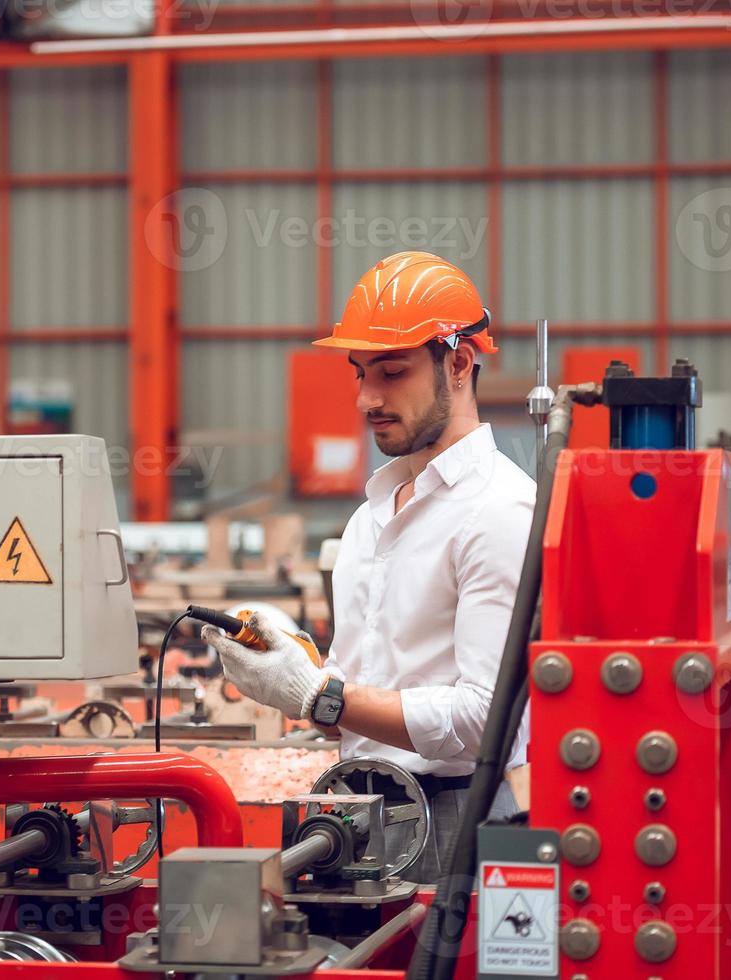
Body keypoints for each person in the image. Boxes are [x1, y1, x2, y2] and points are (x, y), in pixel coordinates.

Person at [202, 250, 535, 883]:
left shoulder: (499, 512)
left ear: (459, 363)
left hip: (454, 822)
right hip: (357, 811)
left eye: (392, 371)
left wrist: (319, 697)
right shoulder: (371, 518)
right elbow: (363, 688)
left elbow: (482, 720)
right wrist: (295, 663)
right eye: (360, 373)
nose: (366, 398)